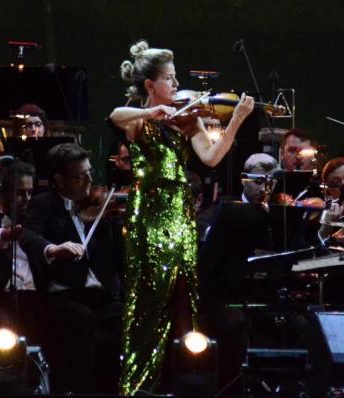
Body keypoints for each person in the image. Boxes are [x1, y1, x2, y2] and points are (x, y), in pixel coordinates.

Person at [109, 40, 254, 394]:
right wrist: (151, 113)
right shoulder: (137, 121)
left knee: (183, 300)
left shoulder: (186, 121)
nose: (176, 86)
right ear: (150, 86)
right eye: (170, 79)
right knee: (147, 302)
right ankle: (139, 385)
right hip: (149, 216)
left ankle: (184, 382)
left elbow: (211, 157)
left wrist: (235, 120)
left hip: (181, 217)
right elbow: (115, 115)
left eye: (176, 79)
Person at [20, 143, 124, 394]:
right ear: (60, 179)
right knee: (81, 320)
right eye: (81, 176)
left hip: (101, 294)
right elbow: (28, 235)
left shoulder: (101, 206)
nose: (89, 180)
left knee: (125, 317)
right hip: (64, 293)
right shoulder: (44, 204)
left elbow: (118, 255)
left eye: (90, 173)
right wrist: (53, 249)